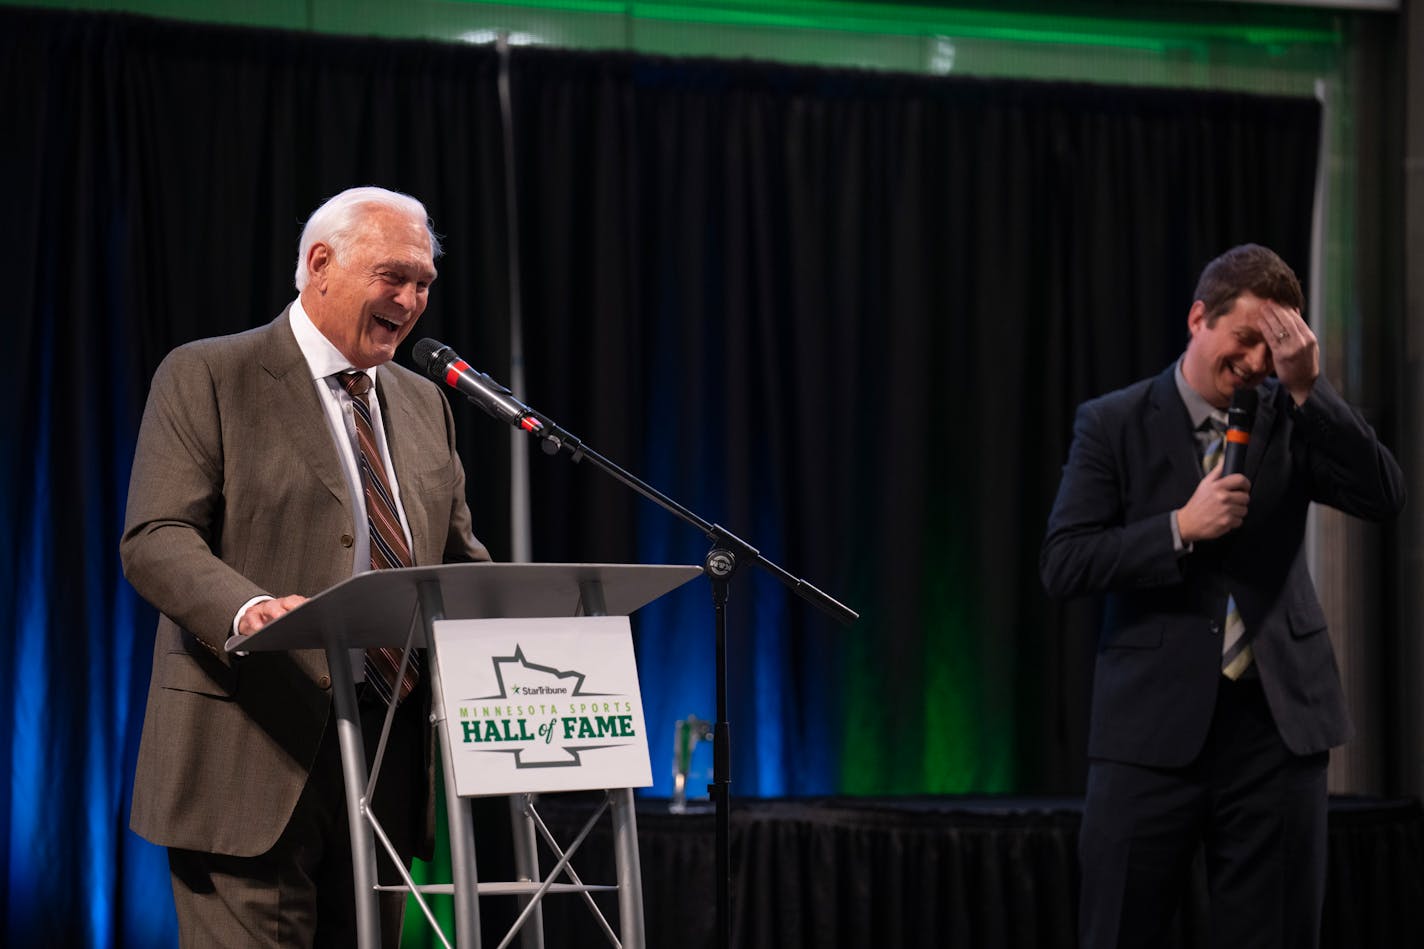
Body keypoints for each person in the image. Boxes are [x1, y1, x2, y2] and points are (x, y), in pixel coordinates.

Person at [121, 186, 490, 947]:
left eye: (424, 282)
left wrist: (523, 619)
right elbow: (156, 535)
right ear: (319, 264)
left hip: (385, 754)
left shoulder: (426, 405)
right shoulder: (211, 375)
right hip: (249, 742)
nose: (412, 298)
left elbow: (455, 558)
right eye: (394, 275)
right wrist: (247, 608)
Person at [1040, 243, 1405, 949]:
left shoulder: (1290, 415)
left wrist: (1309, 389)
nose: (1257, 364)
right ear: (1198, 318)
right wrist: (1178, 527)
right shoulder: (1112, 423)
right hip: (1150, 734)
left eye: (1274, 349)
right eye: (1246, 340)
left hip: (1277, 731)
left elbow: (1384, 495)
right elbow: (1064, 562)